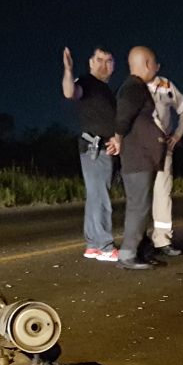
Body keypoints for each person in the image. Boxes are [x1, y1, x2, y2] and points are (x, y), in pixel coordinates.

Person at [107, 46, 166, 270]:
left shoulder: (134, 87)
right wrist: (118, 137)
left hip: (142, 157)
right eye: (154, 63)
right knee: (138, 207)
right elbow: (123, 115)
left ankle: (142, 250)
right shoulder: (133, 87)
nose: (156, 68)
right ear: (148, 64)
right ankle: (128, 255)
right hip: (137, 158)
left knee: (141, 206)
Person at [62, 46, 120, 262]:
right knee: (101, 198)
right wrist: (68, 71)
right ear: (91, 63)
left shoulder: (106, 90)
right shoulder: (86, 83)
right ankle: (105, 246)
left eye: (109, 60)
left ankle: (93, 245)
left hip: (104, 148)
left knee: (95, 197)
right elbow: (70, 92)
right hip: (94, 148)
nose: (104, 64)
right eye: (99, 59)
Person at [147, 69, 183, 257]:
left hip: (164, 147)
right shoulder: (134, 85)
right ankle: (138, 240)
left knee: (163, 194)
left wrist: (178, 133)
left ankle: (162, 241)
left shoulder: (166, 85)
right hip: (141, 148)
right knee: (140, 196)